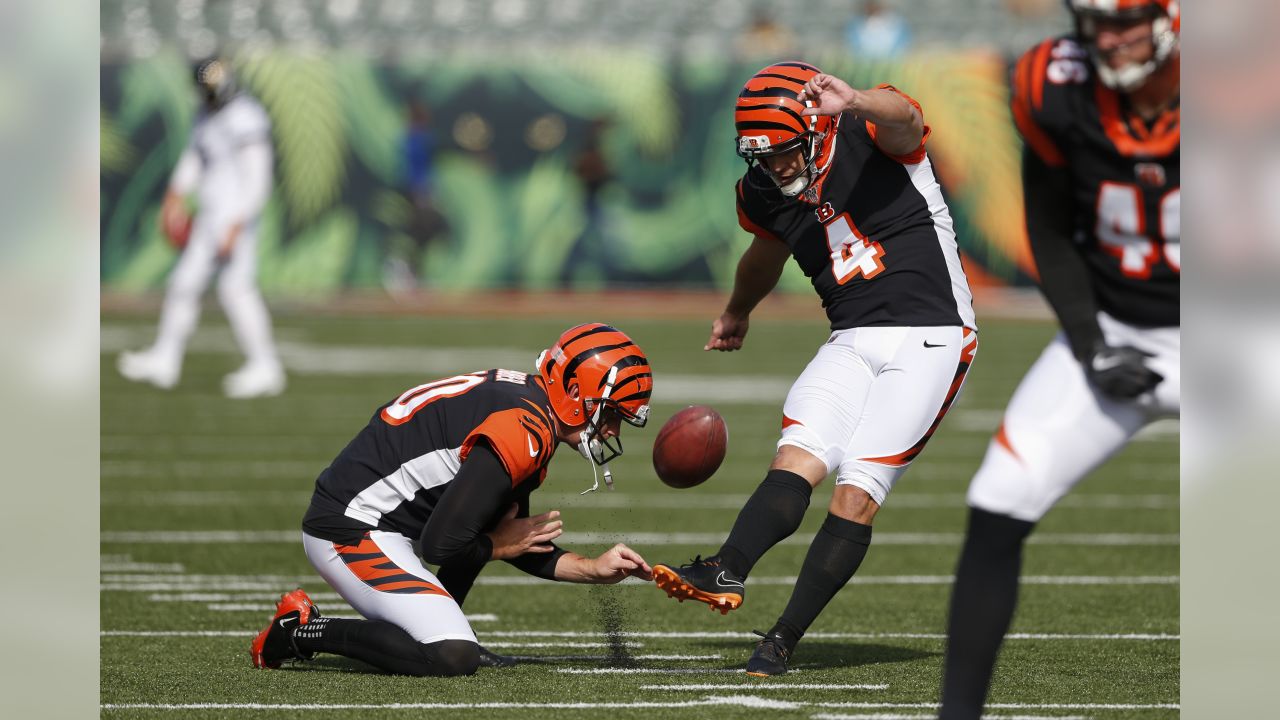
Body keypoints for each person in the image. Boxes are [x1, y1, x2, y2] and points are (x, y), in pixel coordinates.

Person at [651, 62, 976, 676]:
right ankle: (726, 569)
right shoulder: (764, 192)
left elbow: (905, 117)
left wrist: (853, 99)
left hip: (931, 335)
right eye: (763, 157)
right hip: (852, 336)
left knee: (855, 493)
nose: (776, 168)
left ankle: (781, 638)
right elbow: (764, 255)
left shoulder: (866, 132)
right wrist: (737, 310)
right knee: (799, 455)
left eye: (785, 151)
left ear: (818, 128)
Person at [938, 2, 1180, 717]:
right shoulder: (1053, 83)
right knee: (997, 501)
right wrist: (1090, 342)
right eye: (1095, 20)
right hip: (1114, 325)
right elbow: (1047, 223)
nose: (1110, 37)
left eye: (1127, 18)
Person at [251, 323, 656, 676]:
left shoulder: (532, 412)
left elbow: (505, 534)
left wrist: (592, 568)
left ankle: (443, 622)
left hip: (383, 525)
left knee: (479, 545)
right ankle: (299, 631)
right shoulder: (524, 431)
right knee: (452, 654)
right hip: (350, 528)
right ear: (573, 392)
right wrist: (499, 544)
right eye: (610, 413)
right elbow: (443, 544)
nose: (611, 430)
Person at [117, 58, 285, 399]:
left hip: (233, 218)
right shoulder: (208, 115)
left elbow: (258, 178)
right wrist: (174, 195)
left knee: (236, 290)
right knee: (184, 284)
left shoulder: (246, 117)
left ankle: (265, 365)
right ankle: (166, 359)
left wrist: (237, 224)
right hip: (210, 217)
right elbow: (196, 157)